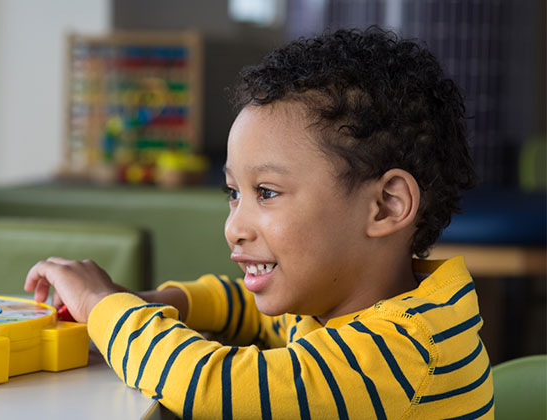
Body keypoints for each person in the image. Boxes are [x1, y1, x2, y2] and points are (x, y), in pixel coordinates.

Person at [25, 27, 493, 420]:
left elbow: (210, 386)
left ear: (386, 206)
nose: (235, 227)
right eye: (234, 193)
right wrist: (158, 302)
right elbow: (251, 310)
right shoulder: (338, 304)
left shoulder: (402, 352)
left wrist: (101, 305)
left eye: (266, 193)